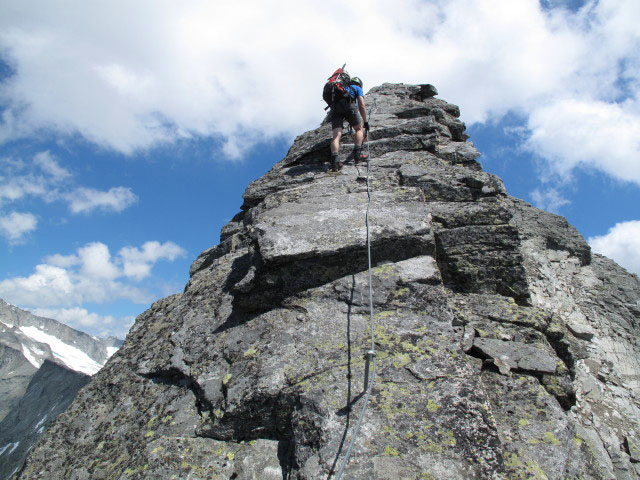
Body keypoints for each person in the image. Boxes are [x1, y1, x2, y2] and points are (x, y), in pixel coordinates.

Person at [329, 77, 370, 172]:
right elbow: (361, 105)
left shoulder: (341, 88)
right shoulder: (357, 88)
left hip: (335, 109)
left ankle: (335, 161)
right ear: (359, 84)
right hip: (349, 107)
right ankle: (357, 154)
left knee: (336, 135)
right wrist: (365, 122)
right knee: (359, 129)